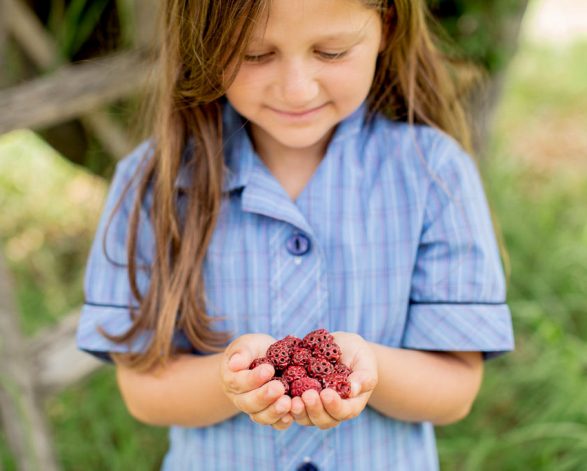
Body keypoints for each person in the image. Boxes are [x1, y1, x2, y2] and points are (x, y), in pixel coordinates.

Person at [76, 0, 515, 469]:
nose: (296, 88)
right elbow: (144, 391)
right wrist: (235, 381)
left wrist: (369, 369)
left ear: (385, 26)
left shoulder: (434, 173)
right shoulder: (153, 184)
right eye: (254, 55)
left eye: (331, 52)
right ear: (204, 43)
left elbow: (455, 391)